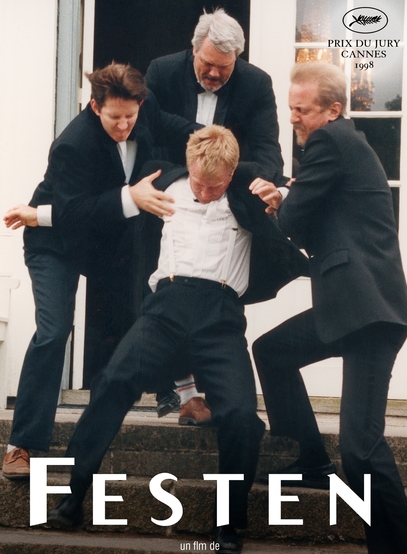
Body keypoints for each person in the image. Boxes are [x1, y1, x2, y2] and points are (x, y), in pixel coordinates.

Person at [46, 125, 308, 554]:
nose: (204, 193)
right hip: (164, 308)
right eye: (199, 183)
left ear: (231, 174)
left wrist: (280, 194)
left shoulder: (247, 193)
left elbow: (287, 194)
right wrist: (130, 197)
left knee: (240, 416)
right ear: (188, 167)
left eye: (215, 186)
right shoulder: (161, 183)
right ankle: (72, 499)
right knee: (112, 382)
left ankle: (227, 525)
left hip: (220, 314)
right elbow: (103, 204)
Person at [251, 62, 407, 554]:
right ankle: (308, 458)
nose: (294, 118)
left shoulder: (329, 142)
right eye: (291, 108)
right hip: (350, 309)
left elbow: (295, 220)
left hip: (366, 312)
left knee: (362, 449)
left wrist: (280, 201)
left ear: (332, 110)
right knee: (273, 351)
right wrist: (290, 201)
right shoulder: (345, 145)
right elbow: (317, 222)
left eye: (302, 110)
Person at [2, 62, 200, 480]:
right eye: (115, 118)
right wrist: (131, 197)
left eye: (131, 116)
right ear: (95, 107)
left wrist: (224, 147)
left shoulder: (143, 110)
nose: (124, 125)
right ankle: (21, 444)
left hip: (104, 244)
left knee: (149, 307)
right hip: (55, 242)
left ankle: (182, 394)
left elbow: (180, 129)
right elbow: (73, 212)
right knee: (54, 331)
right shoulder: (72, 143)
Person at [146, 7, 287, 421]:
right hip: (169, 195)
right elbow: (146, 133)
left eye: (224, 67)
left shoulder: (256, 82)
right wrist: (193, 162)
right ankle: (183, 392)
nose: (214, 74)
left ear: (237, 59)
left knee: (219, 302)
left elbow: (269, 150)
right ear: (193, 50)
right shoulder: (162, 71)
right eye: (207, 64)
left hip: (225, 198)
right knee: (164, 294)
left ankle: (224, 398)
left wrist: (241, 180)